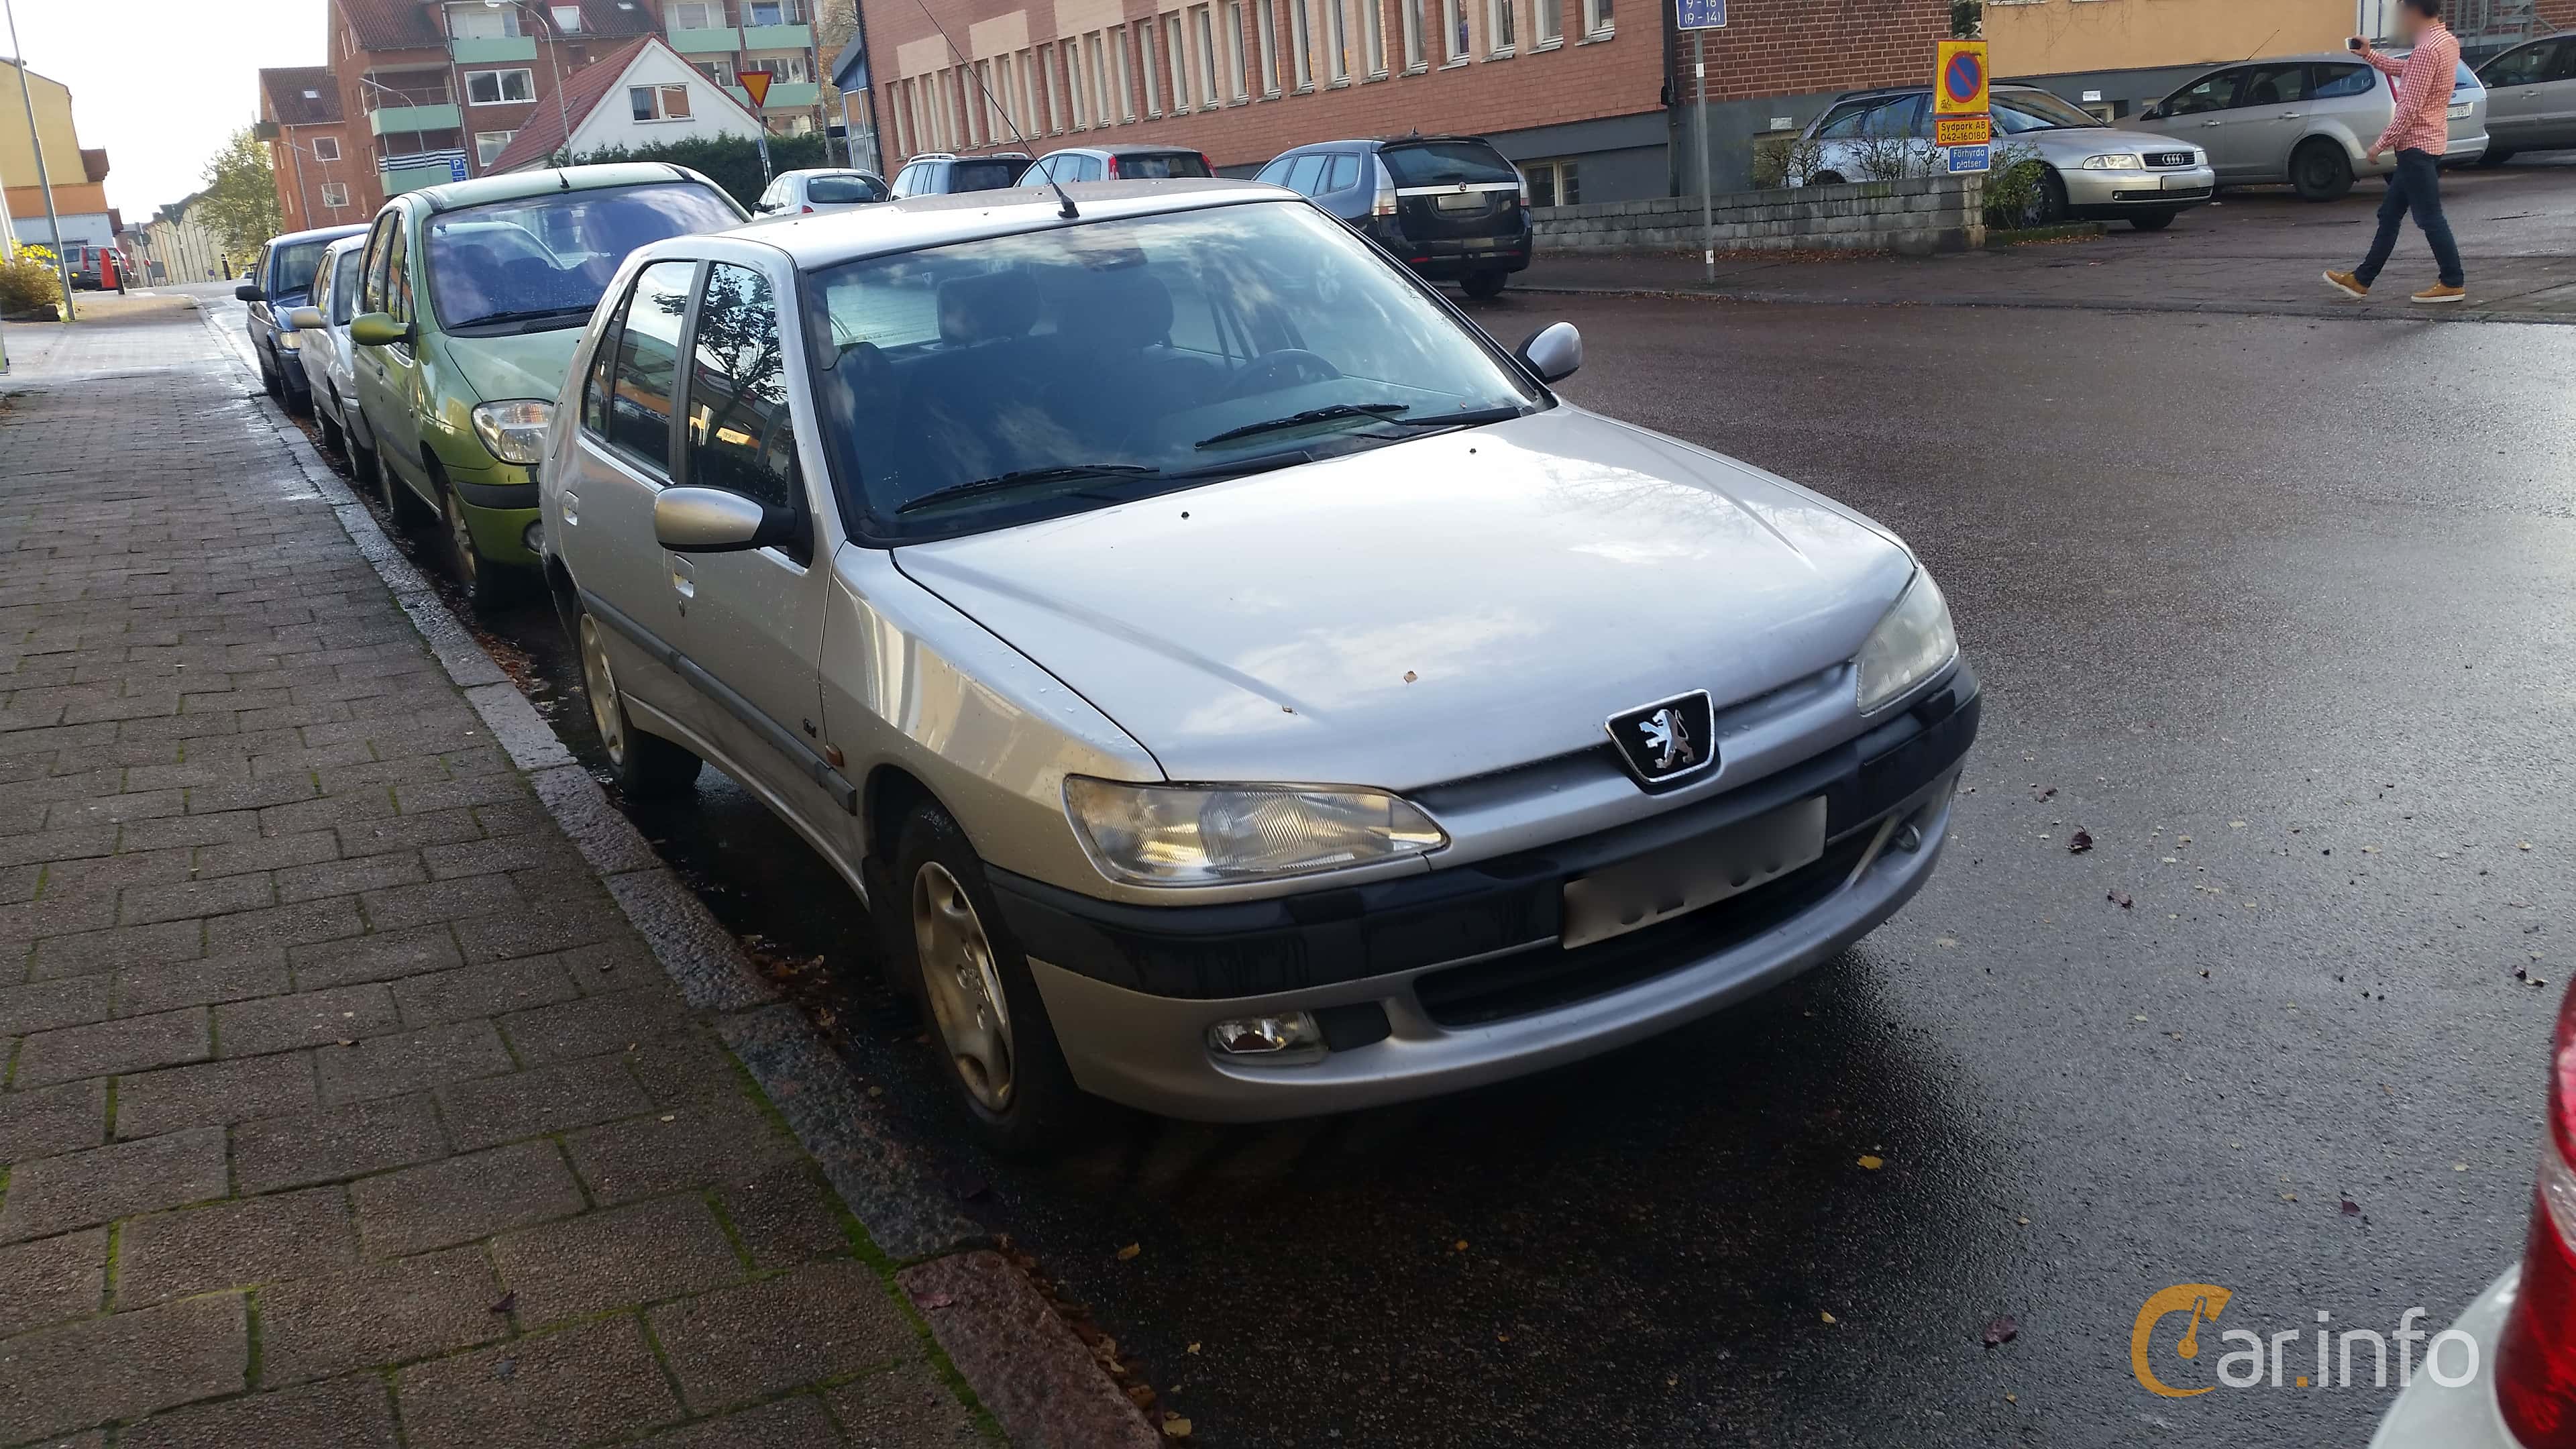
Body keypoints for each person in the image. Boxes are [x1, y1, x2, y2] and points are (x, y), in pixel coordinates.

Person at [2324, 0, 2466, 304]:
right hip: (2430, 143)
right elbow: (2408, 70)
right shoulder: (2446, 42)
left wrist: (2379, 144)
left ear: (2413, 12)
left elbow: (2409, 108)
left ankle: (2452, 281)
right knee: (2390, 214)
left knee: (2429, 217)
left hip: (2416, 147)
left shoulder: (2427, 49)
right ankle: (2361, 280)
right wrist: (2370, 55)